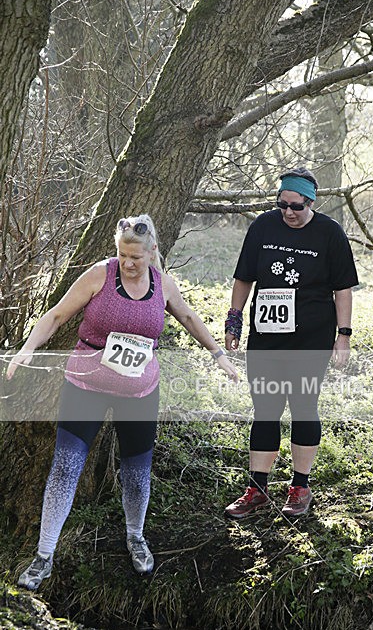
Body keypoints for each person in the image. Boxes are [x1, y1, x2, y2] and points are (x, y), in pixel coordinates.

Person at [8, 214, 238, 590]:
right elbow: (57, 315)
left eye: (136, 257)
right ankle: (44, 556)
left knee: (136, 471)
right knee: (65, 467)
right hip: (86, 385)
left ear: (152, 251)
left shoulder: (163, 285)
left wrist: (218, 354)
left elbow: (189, 317)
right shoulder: (101, 275)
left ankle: (135, 537)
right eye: (123, 255)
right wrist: (28, 349)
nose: (128, 263)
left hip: (140, 392)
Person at [224, 167, 358, 518]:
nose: (288, 212)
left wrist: (343, 336)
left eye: (296, 206)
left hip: (311, 337)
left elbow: (342, 289)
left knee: (303, 406)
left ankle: (300, 486)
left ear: (310, 202)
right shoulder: (263, 227)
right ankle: (257, 489)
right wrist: (234, 321)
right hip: (267, 338)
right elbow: (243, 278)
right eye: (282, 204)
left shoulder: (330, 233)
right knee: (265, 409)